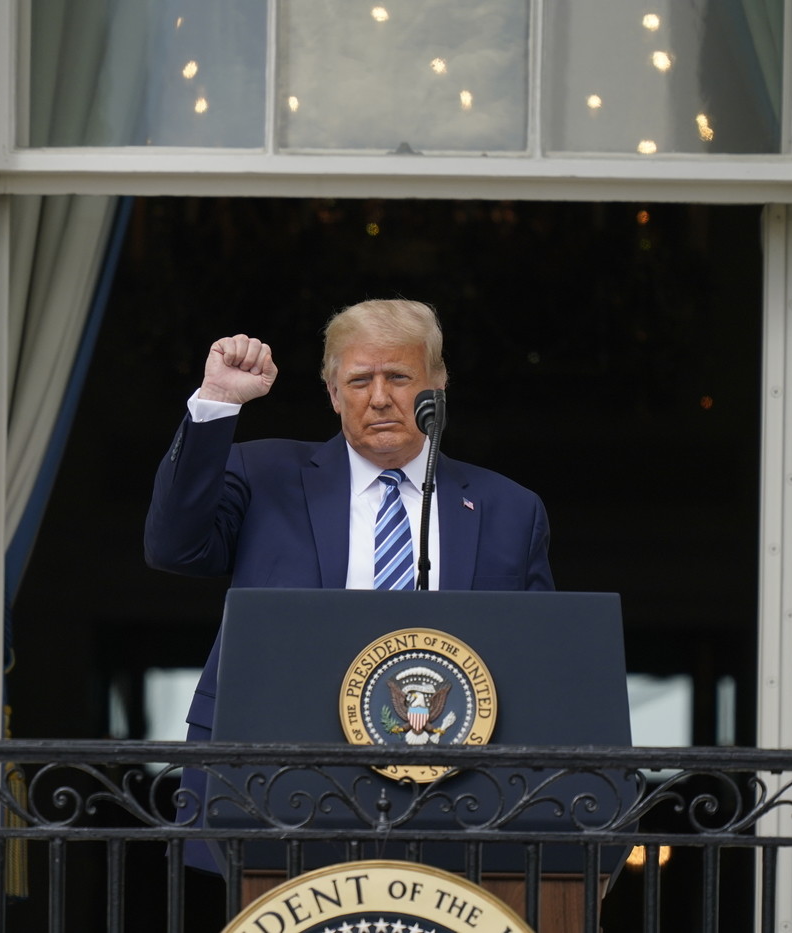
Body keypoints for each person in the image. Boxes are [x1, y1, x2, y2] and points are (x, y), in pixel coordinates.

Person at [143, 298, 553, 868]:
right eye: (359, 380)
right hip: (278, 783)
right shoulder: (263, 475)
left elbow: (542, 666)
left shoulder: (510, 508)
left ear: (437, 385)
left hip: (454, 791)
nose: (379, 397)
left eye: (400, 377)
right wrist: (217, 403)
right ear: (333, 394)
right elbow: (173, 547)